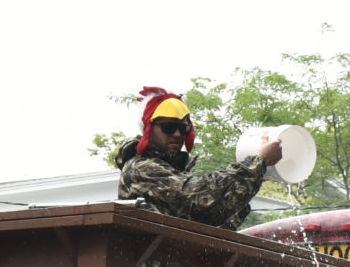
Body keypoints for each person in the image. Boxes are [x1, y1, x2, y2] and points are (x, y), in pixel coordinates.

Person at [113, 87, 279, 230]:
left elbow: (211, 225)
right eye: (169, 127)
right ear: (149, 128)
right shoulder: (140, 168)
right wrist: (256, 164)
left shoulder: (173, 171)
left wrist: (255, 176)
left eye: (183, 128)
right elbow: (200, 200)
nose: (177, 134)